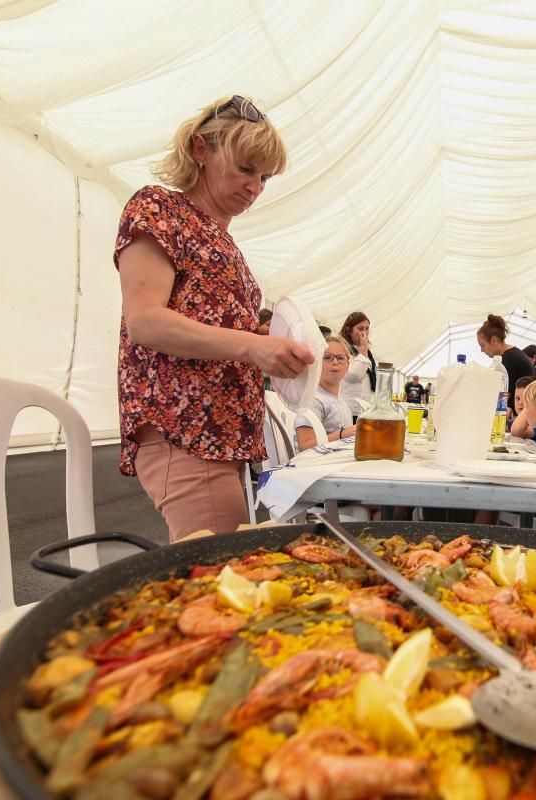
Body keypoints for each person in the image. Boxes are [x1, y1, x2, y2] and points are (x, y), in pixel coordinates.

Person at [115, 95, 313, 542]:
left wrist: (265, 338)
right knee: (217, 578)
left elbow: (215, 330)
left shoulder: (224, 242)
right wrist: (251, 345)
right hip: (185, 430)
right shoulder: (160, 210)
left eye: (264, 176)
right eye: (245, 168)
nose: (255, 186)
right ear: (201, 150)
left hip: (220, 439)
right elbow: (145, 321)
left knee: (222, 571)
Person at [295, 335, 357, 451]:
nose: (335, 362)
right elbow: (305, 445)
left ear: (348, 365)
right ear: (316, 363)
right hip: (313, 466)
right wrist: (342, 434)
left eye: (340, 358)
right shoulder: (312, 400)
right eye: (327, 357)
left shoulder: (343, 404)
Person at [477, 314, 536, 391]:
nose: (481, 350)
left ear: (494, 340)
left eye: (483, 345)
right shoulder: (513, 354)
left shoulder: (509, 360)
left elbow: (503, 395)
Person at [339, 311, 376, 414]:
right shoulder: (342, 349)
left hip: (365, 410)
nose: (364, 332)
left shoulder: (368, 353)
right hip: (350, 409)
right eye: (360, 328)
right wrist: (364, 350)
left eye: (367, 328)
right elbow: (353, 375)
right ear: (349, 330)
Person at [509, 375, 536, 444]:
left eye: (525, 398)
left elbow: (517, 431)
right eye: (517, 398)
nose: (520, 402)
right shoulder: (516, 420)